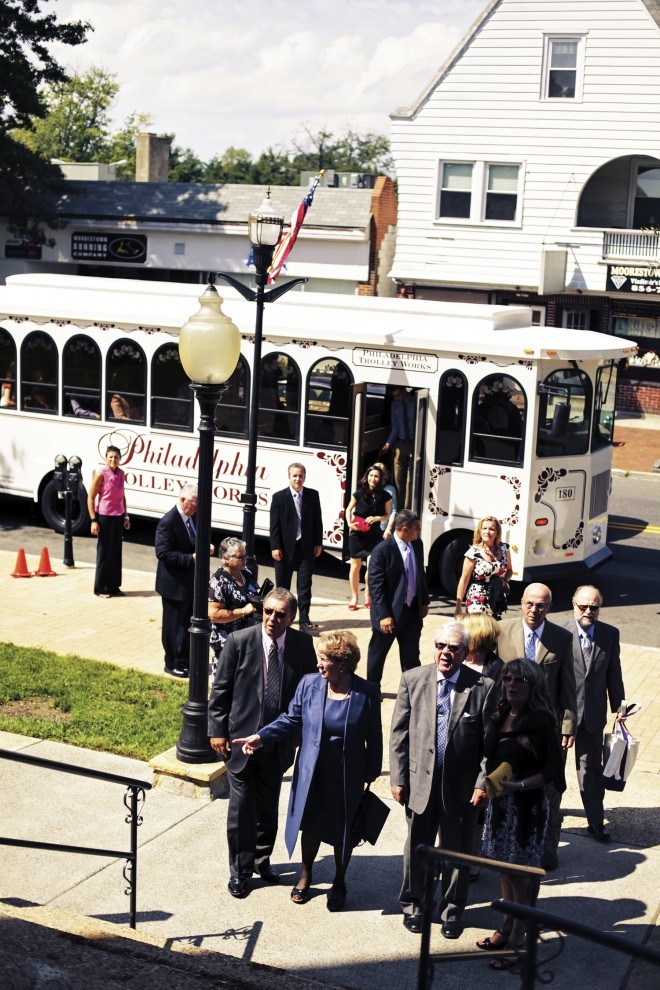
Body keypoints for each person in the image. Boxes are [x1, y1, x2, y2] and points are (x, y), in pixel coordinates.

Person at [233, 631, 382, 911]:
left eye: (325, 660)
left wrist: (371, 772)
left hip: (347, 774)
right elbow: (290, 719)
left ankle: (340, 880)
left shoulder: (367, 692)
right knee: (311, 825)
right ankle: (305, 875)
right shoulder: (309, 684)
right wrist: (261, 736)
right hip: (313, 770)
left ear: (342, 663)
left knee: (343, 830)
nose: (319, 665)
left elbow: (374, 737)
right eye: (320, 659)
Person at [208, 589, 317, 899]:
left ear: (292, 617)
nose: (271, 618)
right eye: (268, 611)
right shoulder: (239, 642)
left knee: (268, 807)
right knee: (241, 808)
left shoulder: (301, 645)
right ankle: (240, 871)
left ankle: (261, 859)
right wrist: (217, 729)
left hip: (277, 744)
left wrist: (298, 736)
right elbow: (221, 690)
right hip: (240, 742)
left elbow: (308, 693)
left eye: (280, 614)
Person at [390, 621, 497, 937]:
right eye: (440, 646)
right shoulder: (413, 680)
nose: (445, 653)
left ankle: (452, 912)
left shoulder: (483, 687)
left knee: (455, 852)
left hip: (460, 788)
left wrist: (482, 783)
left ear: (465, 652)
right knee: (417, 850)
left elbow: (489, 745)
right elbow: (398, 734)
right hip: (419, 783)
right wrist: (397, 778)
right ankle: (414, 905)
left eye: (453, 648)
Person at [478, 660, 565, 967]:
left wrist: (519, 786)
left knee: (518, 875)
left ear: (533, 686)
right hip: (501, 804)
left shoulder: (540, 720)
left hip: (526, 808)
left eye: (519, 681)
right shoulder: (502, 713)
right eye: (508, 679)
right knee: (503, 871)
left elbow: (553, 772)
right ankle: (506, 927)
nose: (511, 685)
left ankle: (518, 938)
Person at [497, 582, 577, 871]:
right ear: (521, 603)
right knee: (508, 786)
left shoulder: (562, 638)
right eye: (529, 604)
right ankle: (507, 846)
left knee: (550, 791)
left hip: (547, 730)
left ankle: (546, 851)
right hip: (510, 727)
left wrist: (568, 725)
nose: (534, 610)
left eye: (541, 605)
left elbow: (568, 685)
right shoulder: (502, 631)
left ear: (549, 608)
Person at [558, 585, 625, 843]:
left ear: (600, 607)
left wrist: (619, 707)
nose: (588, 611)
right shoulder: (559, 633)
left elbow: (613, 673)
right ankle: (550, 818)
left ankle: (596, 821)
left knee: (590, 771)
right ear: (573, 603)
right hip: (562, 716)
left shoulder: (610, 634)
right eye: (583, 606)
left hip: (593, 717)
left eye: (593, 607)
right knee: (554, 770)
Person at [366, 509, 429, 687]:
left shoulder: (418, 545)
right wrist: (384, 615)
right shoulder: (382, 551)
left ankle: (412, 691)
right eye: (417, 528)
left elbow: (420, 575)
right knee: (378, 654)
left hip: (411, 613)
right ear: (404, 529)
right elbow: (376, 587)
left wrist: (424, 601)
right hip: (390, 614)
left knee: (411, 657)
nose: (419, 531)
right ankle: (372, 688)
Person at [461, 612, 503, 877]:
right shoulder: (456, 660)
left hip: (484, 752)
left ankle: (472, 862)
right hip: (456, 749)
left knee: (477, 811)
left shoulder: (497, 669)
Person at [270, 463, 323, 630]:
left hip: (306, 549)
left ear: (304, 477)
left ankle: (304, 619)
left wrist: (318, 543)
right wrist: (275, 546)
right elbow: (274, 525)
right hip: (285, 550)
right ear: (289, 477)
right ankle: (281, 618)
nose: (298, 479)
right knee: (283, 587)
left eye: (300, 476)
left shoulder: (312, 496)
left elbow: (317, 521)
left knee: (305, 586)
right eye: (294, 476)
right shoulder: (279, 497)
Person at [155, 484, 199, 678]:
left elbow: (193, 540)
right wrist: (190, 558)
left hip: (189, 583)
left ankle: (184, 659)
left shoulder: (193, 517)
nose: (197, 508)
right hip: (173, 585)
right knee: (173, 626)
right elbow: (163, 552)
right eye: (194, 503)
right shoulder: (168, 521)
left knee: (186, 624)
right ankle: (171, 662)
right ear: (183, 500)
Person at [208, 537, 259, 679]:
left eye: (245, 556)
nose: (245, 560)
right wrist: (242, 612)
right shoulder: (218, 581)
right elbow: (214, 615)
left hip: (248, 638)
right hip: (227, 642)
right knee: (226, 680)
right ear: (226, 558)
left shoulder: (245, 573)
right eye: (240, 557)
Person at [346, 464, 392, 610]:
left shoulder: (385, 496)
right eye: (371, 476)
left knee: (372, 566)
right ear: (367, 477)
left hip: (374, 535)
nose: (373, 479)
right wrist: (349, 524)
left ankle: (368, 593)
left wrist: (377, 518)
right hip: (357, 534)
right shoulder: (359, 493)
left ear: (380, 479)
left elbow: (387, 515)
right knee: (355, 566)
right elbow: (348, 509)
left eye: (376, 476)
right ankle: (354, 597)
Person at [87, 446, 130, 598]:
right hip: (104, 517)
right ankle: (100, 588)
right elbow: (90, 497)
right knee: (104, 553)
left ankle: (113, 586)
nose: (114, 459)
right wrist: (93, 520)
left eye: (116, 457)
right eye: (111, 457)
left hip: (118, 517)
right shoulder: (101, 474)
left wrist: (126, 516)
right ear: (106, 458)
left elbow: (122, 496)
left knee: (115, 552)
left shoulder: (121, 474)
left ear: (120, 459)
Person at [455, 516, 512, 620]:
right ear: (479, 531)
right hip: (477, 597)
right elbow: (464, 580)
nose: (487, 532)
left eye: (491, 529)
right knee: (478, 631)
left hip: (496, 596)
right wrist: (458, 606)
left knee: (495, 629)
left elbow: (510, 570)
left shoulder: (504, 549)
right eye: (484, 528)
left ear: (497, 532)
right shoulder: (473, 553)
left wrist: (504, 580)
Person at [381, 385, 417, 509]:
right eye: (394, 396)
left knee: (410, 479)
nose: (396, 398)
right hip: (401, 443)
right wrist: (388, 443)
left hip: (414, 442)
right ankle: (399, 507)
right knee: (398, 477)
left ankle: (408, 507)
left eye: (398, 395)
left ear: (403, 391)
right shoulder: (394, 404)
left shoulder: (415, 401)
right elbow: (395, 427)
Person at [373, 461, 397, 537]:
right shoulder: (367, 489)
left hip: (382, 528)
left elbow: (393, 511)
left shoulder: (390, 490)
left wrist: (389, 529)